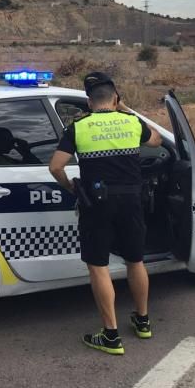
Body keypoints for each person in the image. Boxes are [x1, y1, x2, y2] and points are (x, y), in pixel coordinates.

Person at [49, 71, 162, 355]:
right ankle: (143, 321)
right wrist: (125, 110)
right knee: (135, 260)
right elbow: (158, 141)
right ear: (115, 97)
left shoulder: (79, 127)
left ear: (88, 102)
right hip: (131, 201)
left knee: (98, 266)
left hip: (96, 204)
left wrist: (72, 188)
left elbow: (55, 166)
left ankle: (111, 336)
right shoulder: (131, 122)